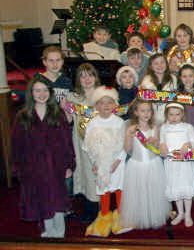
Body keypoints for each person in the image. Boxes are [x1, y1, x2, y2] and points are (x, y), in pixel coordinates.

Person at [11, 76, 74, 238]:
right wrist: (19, 168)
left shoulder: (57, 113)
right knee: (41, 199)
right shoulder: (22, 116)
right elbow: (17, 145)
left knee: (56, 199)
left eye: (45, 90)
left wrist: (69, 165)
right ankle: (47, 231)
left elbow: (66, 141)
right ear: (31, 93)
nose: (42, 94)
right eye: (37, 90)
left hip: (55, 164)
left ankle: (59, 233)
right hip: (33, 166)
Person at [83, 86, 130, 237]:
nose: (106, 106)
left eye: (109, 102)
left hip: (117, 163)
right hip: (101, 163)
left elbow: (124, 144)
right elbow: (89, 147)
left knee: (118, 187)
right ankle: (104, 217)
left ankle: (121, 217)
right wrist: (95, 164)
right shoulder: (93, 123)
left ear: (114, 104)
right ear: (96, 105)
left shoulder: (118, 122)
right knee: (103, 188)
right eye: (102, 103)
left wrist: (118, 161)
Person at [121, 100, 170, 230]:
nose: (146, 113)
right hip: (136, 165)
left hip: (153, 164)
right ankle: (139, 217)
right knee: (138, 192)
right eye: (142, 111)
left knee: (153, 191)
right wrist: (128, 136)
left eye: (148, 110)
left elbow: (157, 149)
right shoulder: (131, 128)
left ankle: (154, 216)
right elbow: (127, 149)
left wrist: (155, 141)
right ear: (136, 113)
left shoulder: (155, 128)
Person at [64, 63, 101, 224]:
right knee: (84, 174)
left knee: (97, 174)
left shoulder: (103, 95)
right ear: (78, 79)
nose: (87, 79)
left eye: (90, 75)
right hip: (80, 142)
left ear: (95, 77)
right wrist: (64, 107)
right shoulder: (73, 98)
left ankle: (99, 210)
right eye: (82, 76)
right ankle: (89, 207)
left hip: (99, 143)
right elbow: (68, 120)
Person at [159, 103, 194, 227]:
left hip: (184, 163)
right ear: (167, 115)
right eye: (171, 114)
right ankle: (180, 213)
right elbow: (162, 141)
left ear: (182, 114)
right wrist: (162, 145)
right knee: (176, 188)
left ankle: (188, 214)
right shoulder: (164, 127)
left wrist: (187, 144)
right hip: (171, 163)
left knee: (186, 188)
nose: (174, 117)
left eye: (177, 114)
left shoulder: (188, 127)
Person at [139, 54, 178, 125]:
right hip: (151, 118)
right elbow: (143, 101)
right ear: (151, 66)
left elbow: (175, 99)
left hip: (169, 118)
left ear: (166, 64)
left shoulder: (173, 78)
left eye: (162, 62)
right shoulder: (146, 81)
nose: (160, 65)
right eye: (156, 63)